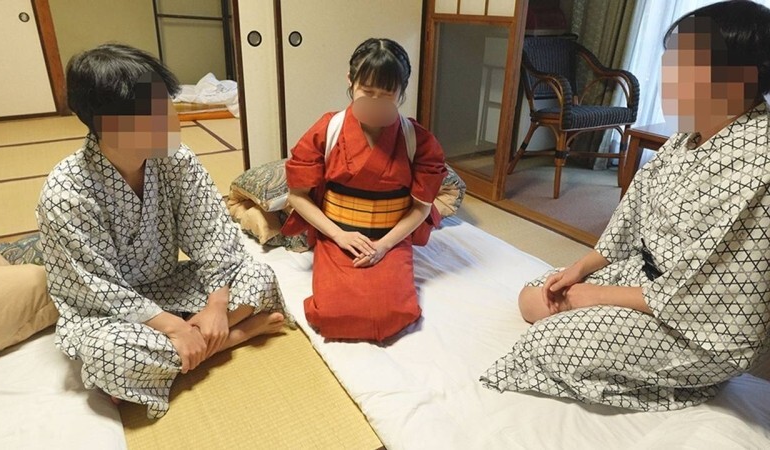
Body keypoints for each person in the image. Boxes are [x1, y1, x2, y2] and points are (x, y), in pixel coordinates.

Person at [482, 0, 770, 410]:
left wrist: (596, 296)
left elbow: (709, 297)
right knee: (533, 297)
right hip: (646, 281)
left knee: (546, 344)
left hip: (696, 326)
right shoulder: (691, 134)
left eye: (684, 64)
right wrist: (581, 269)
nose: (668, 75)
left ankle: (692, 383)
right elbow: (632, 217)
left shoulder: (759, 167)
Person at [36, 43, 289, 419]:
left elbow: (214, 236)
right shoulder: (66, 192)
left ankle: (185, 354)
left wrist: (216, 306)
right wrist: (174, 328)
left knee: (259, 276)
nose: (171, 120)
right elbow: (97, 288)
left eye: (166, 105)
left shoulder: (176, 159)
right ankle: (234, 337)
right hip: (109, 312)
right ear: (108, 123)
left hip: (169, 284)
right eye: (152, 113)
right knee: (110, 357)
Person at [282, 38, 447, 342]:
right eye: (367, 92)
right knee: (333, 312)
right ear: (351, 81)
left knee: (393, 313)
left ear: (402, 91)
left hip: (391, 237)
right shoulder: (328, 130)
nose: (375, 102)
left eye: (386, 95)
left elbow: (421, 207)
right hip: (338, 235)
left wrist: (384, 245)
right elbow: (297, 195)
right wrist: (339, 236)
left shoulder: (417, 140)